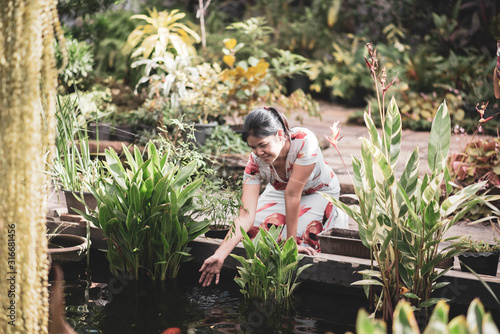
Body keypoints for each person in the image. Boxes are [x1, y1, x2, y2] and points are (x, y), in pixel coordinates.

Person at [199, 106, 347, 287]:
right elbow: (245, 214)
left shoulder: (304, 142)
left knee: (303, 240)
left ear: (279, 134)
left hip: (318, 191)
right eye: (253, 147)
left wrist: (291, 244)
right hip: (279, 193)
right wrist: (219, 255)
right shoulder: (254, 163)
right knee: (254, 234)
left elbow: (293, 195)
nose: (258, 153)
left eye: (263, 145)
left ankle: (336, 213)